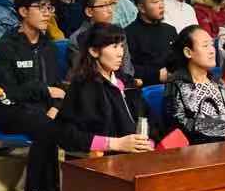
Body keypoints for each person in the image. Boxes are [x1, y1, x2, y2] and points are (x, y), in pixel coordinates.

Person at [0, 0, 94, 191]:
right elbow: (8, 92)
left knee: (84, 120)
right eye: (41, 7)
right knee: (47, 128)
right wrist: (44, 91)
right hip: (13, 110)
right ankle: (39, 190)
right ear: (23, 11)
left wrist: (54, 108)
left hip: (46, 110)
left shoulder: (49, 46)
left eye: (50, 8)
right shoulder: (6, 47)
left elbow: (58, 86)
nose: (47, 13)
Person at [57, 22, 154, 156]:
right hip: (105, 159)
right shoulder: (84, 86)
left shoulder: (127, 82)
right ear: (94, 51)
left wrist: (149, 143)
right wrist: (115, 144)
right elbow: (67, 134)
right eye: (114, 47)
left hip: (138, 155)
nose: (120, 53)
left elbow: (148, 119)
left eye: (121, 46)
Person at [164, 25, 225, 144]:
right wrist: (224, 134)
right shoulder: (176, 84)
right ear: (188, 52)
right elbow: (180, 125)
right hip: (197, 150)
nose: (212, 50)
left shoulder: (218, 82)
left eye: (211, 44)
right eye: (205, 46)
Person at [67, 0, 135, 79]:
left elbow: (127, 68)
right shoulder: (77, 39)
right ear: (89, 11)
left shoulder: (118, 32)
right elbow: (82, 73)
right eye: (104, 6)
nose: (110, 10)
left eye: (111, 4)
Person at [124, 0, 177, 86]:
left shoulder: (170, 30)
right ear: (141, 7)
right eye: (155, 1)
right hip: (147, 88)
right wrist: (156, 74)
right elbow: (129, 68)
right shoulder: (128, 34)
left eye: (162, 0)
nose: (161, 5)